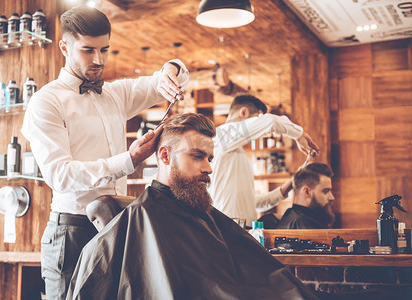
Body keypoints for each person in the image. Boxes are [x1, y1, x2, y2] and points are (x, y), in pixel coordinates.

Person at [21, 5, 189, 299]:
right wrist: (130, 160)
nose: (98, 59)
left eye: (104, 49)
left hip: (115, 227)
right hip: (71, 232)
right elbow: (60, 176)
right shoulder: (46, 102)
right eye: (87, 50)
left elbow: (171, 73)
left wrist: (170, 72)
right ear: (64, 47)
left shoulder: (115, 94)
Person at [66, 113, 318, 300]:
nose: (208, 168)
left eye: (209, 158)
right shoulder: (140, 218)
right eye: (197, 156)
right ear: (164, 156)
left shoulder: (203, 213)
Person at [210, 94, 320, 227]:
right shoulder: (222, 135)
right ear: (243, 112)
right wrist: (299, 134)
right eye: (257, 118)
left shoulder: (236, 152)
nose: (259, 125)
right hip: (226, 228)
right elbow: (270, 122)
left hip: (242, 229)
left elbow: (251, 203)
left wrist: (288, 186)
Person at [276, 162, 335, 229]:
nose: (332, 197)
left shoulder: (292, 216)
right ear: (306, 192)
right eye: (325, 191)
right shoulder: (302, 223)